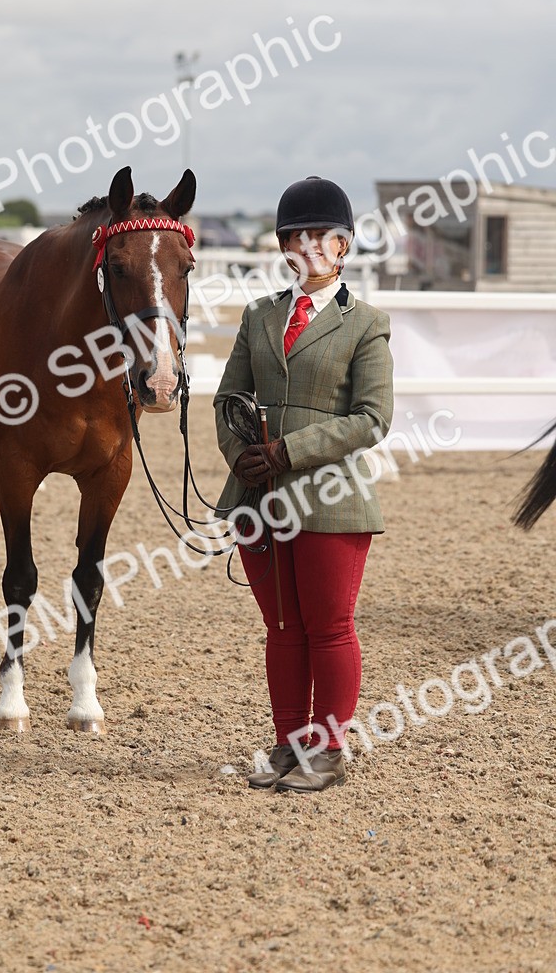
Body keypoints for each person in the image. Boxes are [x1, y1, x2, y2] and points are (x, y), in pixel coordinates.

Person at [214, 176, 393, 793]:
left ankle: (331, 748)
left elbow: (372, 418)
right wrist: (240, 455)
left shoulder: (365, 323)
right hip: (258, 496)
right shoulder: (258, 315)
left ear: (344, 245)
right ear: (283, 247)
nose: (308, 246)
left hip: (330, 497)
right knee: (283, 627)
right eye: (296, 236)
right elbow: (227, 398)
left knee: (329, 626)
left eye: (322, 235)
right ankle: (290, 742)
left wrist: (288, 451)